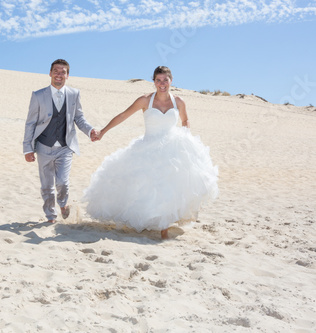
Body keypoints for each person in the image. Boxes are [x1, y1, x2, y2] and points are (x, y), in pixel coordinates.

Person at [84, 66, 218, 239]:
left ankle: (164, 227)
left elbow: (185, 120)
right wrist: (103, 131)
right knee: (147, 187)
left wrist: (187, 139)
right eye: (158, 80)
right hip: (148, 147)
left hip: (173, 148)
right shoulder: (145, 100)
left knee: (171, 186)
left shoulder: (179, 102)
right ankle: (154, 222)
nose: (162, 84)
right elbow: (124, 115)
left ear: (171, 81)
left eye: (165, 80)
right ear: (153, 82)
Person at [23, 59, 99, 223]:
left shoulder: (74, 94)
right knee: (47, 186)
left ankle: (63, 204)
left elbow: (79, 118)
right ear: (50, 73)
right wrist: (27, 149)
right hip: (43, 146)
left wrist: (90, 130)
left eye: (62, 71)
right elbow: (30, 122)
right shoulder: (38, 95)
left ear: (68, 75)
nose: (59, 74)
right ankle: (51, 216)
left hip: (65, 147)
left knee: (62, 183)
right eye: (56, 71)